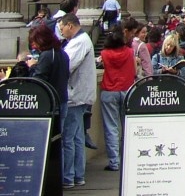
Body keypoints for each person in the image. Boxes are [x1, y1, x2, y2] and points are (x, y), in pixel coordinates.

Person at [59, 12, 96, 189]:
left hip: (75, 95)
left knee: (69, 138)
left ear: (70, 26)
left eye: (62, 28)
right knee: (77, 137)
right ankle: (77, 175)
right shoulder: (82, 41)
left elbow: (67, 65)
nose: (61, 32)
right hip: (80, 94)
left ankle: (68, 176)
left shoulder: (79, 42)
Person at [99, 27, 135, 172]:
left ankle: (114, 161)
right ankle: (128, 157)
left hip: (109, 90)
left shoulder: (104, 54)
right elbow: (133, 68)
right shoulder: (130, 52)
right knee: (127, 125)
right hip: (126, 89)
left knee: (111, 127)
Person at [24, 23, 69, 123]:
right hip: (62, 99)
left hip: (50, 102)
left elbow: (38, 80)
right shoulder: (62, 53)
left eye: (35, 42)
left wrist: (32, 66)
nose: (34, 46)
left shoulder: (46, 55)